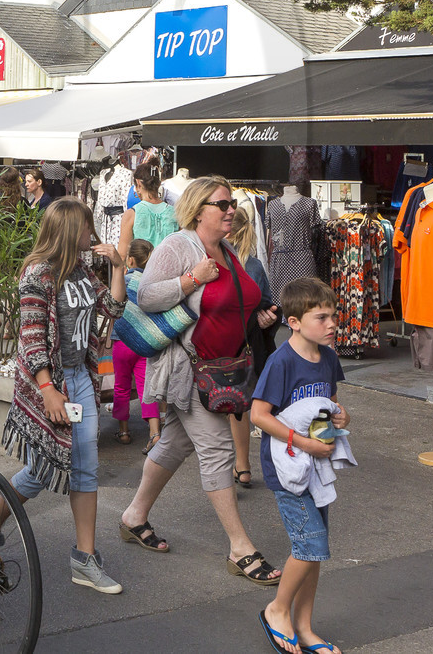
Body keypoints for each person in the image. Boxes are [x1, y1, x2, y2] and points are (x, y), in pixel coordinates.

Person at [116, 175, 283, 584]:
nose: (231, 211)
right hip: (188, 368)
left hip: (221, 366)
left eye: (231, 204)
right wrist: (192, 279)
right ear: (198, 209)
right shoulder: (178, 246)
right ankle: (240, 547)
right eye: (222, 204)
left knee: (174, 443)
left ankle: (134, 516)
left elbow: (233, 302)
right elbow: (148, 295)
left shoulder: (227, 249)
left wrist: (257, 316)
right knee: (218, 450)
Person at [0, 197, 127, 595]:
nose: (92, 233)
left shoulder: (81, 269)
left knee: (80, 467)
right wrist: (48, 390)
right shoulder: (39, 273)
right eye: (86, 226)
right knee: (45, 467)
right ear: (69, 230)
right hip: (51, 384)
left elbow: (113, 306)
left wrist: (117, 267)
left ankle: (84, 558)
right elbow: (31, 340)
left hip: (80, 379)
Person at [251, 278, 350, 654]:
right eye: (322, 317)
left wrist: (342, 418)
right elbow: (259, 415)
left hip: (318, 468)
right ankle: (277, 610)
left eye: (334, 316)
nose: (332, 324)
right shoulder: (281, 362)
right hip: (288, 469)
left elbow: (331, 403)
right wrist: (302, 442)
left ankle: (305, 628)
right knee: (310, 544)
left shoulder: (328, 357)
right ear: (293, 322)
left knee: (315, 550)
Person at [229, 205, 280, 488]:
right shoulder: (254, 264)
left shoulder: (220, 260)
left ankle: (234, 467)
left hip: (225, 342)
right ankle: (243, 465)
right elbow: (269, 305)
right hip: (251, 344)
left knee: (228, 405)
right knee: (241, 403)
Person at [112, 238, 161, 448]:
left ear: (130, 260)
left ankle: (123, 431)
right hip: (145, 342)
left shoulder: (124, 280)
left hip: (122, 342)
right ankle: (154, 432)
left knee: (121, 386)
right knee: (146, 388)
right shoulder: (153, 283)